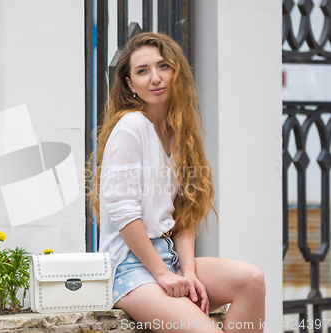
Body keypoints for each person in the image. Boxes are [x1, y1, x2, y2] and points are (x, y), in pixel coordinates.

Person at [89, 32, 266, 332]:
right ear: (130, 84)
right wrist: (162, 274)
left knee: (251, 281)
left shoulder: (178, 132)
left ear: (176, 71)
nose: (155, 78)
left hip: (169, 258)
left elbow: (184, 212)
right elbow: (123, 213)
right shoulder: (131, 127)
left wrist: (189, 270)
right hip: (129, 268)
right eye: (142, 71)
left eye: (163, 66)